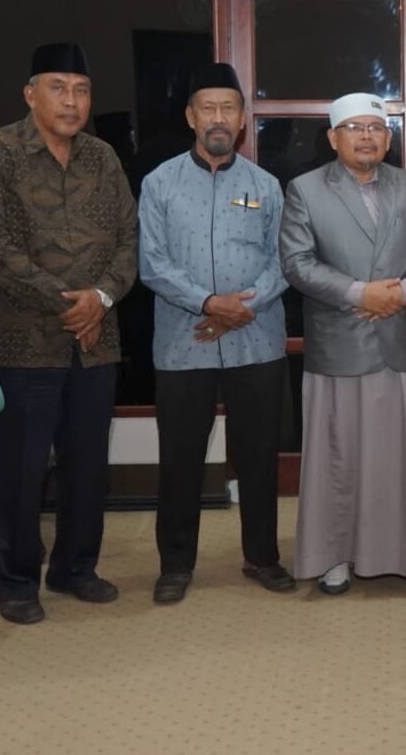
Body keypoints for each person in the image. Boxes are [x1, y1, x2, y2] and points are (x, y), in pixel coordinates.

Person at [0, 43, 138, 624]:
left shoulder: (103, 158)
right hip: (21, 344)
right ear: (31, 94)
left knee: (88, 467)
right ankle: (13, 581)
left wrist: (102, 297)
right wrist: (67, 302)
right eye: (58, 87)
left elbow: (128, 240)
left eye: (81, 89)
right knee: (17, 470)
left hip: (95, 342)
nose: (71, 100)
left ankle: (76, 568)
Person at [280, 92, 406, 594]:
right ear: (333, 137)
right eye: (353, 128)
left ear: (388, 137)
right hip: (341, 345)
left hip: (404, 342)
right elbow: (297, 262)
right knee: (338, 459)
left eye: (375, 128)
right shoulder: (305, 190)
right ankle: (334, 556)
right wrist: (361, 293)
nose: (366, 136)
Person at [137, 62, 294, 604]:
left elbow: (285, 261)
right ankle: (175, 565)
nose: (219, 117)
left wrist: (240, 308)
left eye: (229, 108)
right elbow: (151, 263)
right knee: (179, 459)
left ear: (244, 120)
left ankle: (263, 556)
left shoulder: (266, 186)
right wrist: (208, 303)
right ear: (190, 116)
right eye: (209, 107)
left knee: (258, 456)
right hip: (185, 344)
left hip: (257, 340)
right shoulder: (158, 184)